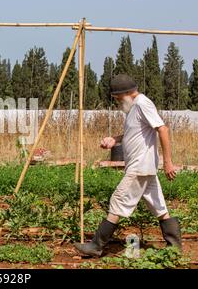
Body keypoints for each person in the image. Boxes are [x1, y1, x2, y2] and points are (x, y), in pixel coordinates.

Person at [74, 74, 182, 257]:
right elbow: (134, 133)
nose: (116, 101)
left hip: (140, 166)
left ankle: (96, 246)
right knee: (159, 207)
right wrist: (113, 139)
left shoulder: (142, 103)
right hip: (144, 167)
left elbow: (162, 129)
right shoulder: (134, 108)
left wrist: (168, 163)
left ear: (126, 93)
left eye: (117, 98)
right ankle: (175, 249)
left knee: (118, 200)